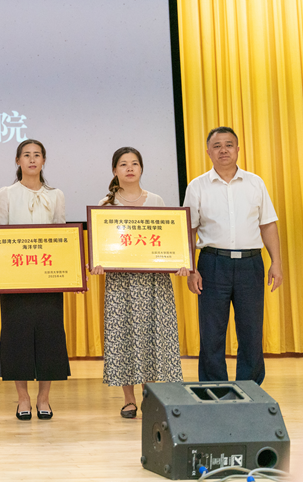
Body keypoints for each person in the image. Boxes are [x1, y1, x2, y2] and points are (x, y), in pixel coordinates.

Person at [90, 147, 186, 419]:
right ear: (115, 170)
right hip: (121, 282)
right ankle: (129, 400)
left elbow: (169, 238)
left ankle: (151, 397)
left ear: (141, 168)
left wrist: (180, 261)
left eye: (134, 163)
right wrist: (98, 262)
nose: (130, 168)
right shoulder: (106, 205)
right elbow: (101, 244)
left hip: (154, 280)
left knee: (153, 336)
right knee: (124, 335)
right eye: (123, 164)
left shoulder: (156, 200)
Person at [185, 126, 283, 385]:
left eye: (229, 145)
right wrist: (192, 269)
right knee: (211, 332)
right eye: (217, 146)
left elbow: (268, 224)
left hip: (251, 264)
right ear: (208, 152)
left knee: (251, 330)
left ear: (238, 149)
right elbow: (189, 230)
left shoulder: (255, 182)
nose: (223, 150)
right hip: (212, 264)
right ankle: (214, 388)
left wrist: (276, 263)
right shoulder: (197, 186)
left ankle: (249, 387)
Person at [0, 139, 70, 420]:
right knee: (17, 336)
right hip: (15, 277)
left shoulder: (56, 195)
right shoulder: (6, 193)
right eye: (26, 155)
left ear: (44, 161)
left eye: (37, 155)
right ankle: (23, 398)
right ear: (18, 161)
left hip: (48, 276)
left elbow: (62, 236)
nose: (32, 159)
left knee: (50, 335)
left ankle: (44, 398)